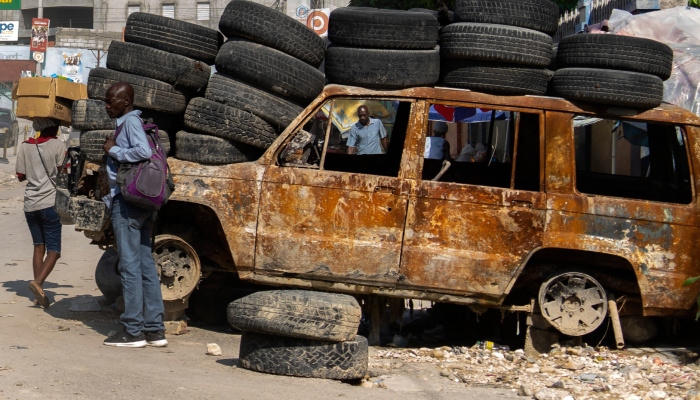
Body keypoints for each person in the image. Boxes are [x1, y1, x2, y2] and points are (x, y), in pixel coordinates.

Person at [102, 82, 167, 348]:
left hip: (127, 202)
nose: (107, 105)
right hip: (143, 202)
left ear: (126, 100)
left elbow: (142, 152)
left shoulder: (129, 123)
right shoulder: (137, 122)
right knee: (145, 266)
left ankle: (133, 331)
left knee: (129, 266)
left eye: (111, 101)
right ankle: (155, 330)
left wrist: (113, 151)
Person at [16, 117, 66, 309]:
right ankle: (38, 283)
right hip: (49, 203)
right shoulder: (57, 145)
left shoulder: (25, 146)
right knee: (54, 250)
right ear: (53, 127)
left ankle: (38, 295)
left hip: (30, 204)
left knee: (39, 247)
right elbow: (64, 173)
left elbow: (21, 176)